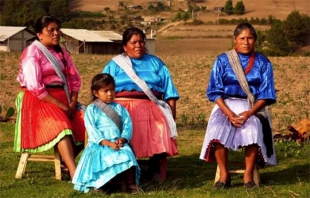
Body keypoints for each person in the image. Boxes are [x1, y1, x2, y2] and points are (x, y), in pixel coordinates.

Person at [199, 23, 277, 189]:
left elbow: (266, 93)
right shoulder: (222, 60)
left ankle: (248, 174)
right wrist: (228, 113)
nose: (246, 42)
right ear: (235, 40)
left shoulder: (263, 62)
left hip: (252, 106)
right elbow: (214, 90)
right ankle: (224, 174)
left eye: (250, 38)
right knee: (217, 129)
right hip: (225, 105)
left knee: (253, 129)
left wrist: (249, 113)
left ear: (255, 40)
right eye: (242, 38)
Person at [102, 27, 180, 182]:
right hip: (120, 106)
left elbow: (169, 91)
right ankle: (119, 169)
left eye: (141, 42)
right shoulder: (115, 64)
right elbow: (102, 87)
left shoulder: (156, 63)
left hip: (151, 104)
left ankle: (155, 167)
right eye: (133, 42)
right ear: (125, 46)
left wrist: (171, 114)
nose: (138, 45)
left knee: (161, 126)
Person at [14, 15, 85, 179]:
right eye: (50, 30)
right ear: (39, 34)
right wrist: (63, 107)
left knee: (89, 122)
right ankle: (75, 174)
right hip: (39, 99)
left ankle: (67, 162)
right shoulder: (32, 53)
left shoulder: (62, 53)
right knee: (62, 127)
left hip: (64, 97)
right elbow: (34, 87)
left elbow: (74, 78)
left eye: (57, 29)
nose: (56, 33)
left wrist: (73, 102)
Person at [72, 73, 140, 193]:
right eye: (105, 91)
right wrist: (107, 143)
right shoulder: (91, 110)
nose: (110, 94)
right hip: (99, 145)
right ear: (95, 93)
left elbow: (127, 125)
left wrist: (123, 139)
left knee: (127, 154)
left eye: (112, 90)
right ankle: (100, 184)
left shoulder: (120, 108)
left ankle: (130, 184)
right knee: (102, 158)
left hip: (118, 143)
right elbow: (92, 130)